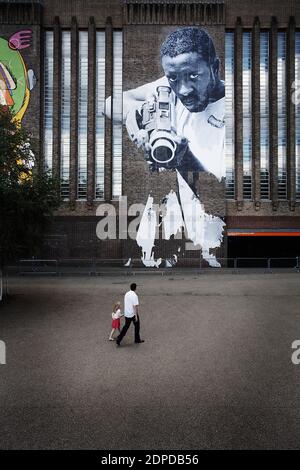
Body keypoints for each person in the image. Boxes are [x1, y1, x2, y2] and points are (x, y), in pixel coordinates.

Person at [106, 27, 225, 182]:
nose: (183, 90)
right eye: (173, 78)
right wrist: (137, 115)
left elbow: (222, 193)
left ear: (214, 68)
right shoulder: (169, 89)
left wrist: (183, 160)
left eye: (193, 76)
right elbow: (109, 104)